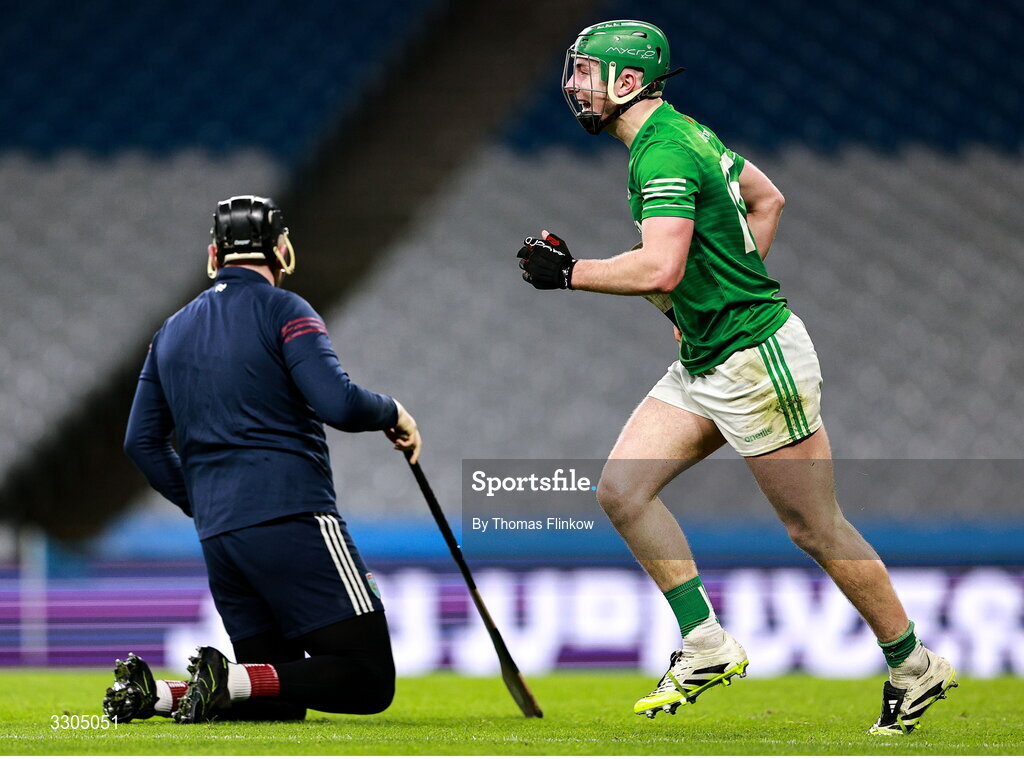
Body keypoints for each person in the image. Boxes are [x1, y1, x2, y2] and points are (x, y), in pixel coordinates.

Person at [515, 20, 956, 734]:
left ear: (628, 83)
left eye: (586, 72)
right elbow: (767, 199)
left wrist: (570, 273)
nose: (572, 84)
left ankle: (913, 663)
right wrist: (727, 287)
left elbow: (662, 268)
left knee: (814, 527)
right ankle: (707, 641)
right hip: (707, 355)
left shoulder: (661, 151)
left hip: (754, 358)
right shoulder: (682, 133)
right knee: (623, 491)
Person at [110, 195, 421, 723]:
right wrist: (393, 411)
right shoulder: (286, 309)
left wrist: (207, 502)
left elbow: (140, 442)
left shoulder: (171, 330)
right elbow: (339, 403)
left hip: (221, 536)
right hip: (292, 517)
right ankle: (223, 677)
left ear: (214, 255)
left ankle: (160, 694)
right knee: (368, 680)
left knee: (274, 702)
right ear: (282, 250)